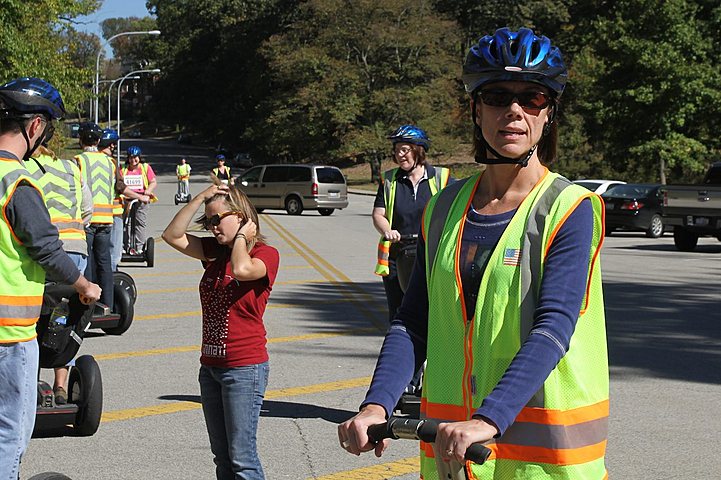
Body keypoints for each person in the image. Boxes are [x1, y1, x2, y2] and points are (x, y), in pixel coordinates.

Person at [339, 27, 609, 480]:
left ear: (549, 113)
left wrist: (488, 418)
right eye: (498, 96)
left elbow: (554, 327)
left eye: (533, 97)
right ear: (476, 109)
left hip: (541, 465)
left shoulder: (570, 209)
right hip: (452, 454)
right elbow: (414, 318)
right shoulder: (443, 207)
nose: (515, 111)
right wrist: (376, 403)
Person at [0, 77, 101, 479]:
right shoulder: (16, 181)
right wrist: (83, 284)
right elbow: (45, 248)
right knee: (10, 430)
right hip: (9, 334)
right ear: (36, 126)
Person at [162, 183, 279, 480]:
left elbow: (241, 270)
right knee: (223, 459)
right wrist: (201, 197)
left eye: (217, 219)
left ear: (241, 216)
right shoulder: (215, 252)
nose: (212, 227)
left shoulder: (266, 254)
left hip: (243, 369)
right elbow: (171, 235)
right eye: (208, 221)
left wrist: (242, 236)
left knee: (243, 459)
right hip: (211, 368)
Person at [27, 143, 93, 405]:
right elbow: (87, 210)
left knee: (34, 318)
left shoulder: (25, 167)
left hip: (43, 251)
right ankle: (61, 386)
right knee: (66, 317)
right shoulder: (71, 167)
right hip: (77, 249)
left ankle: (31, 383)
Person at [372, 124, 450, 323]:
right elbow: (379, 214)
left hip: (431, 254)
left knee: (430, 311)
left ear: (419, 150)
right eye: (397, 150)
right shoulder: (390, 180)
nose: (400, 155)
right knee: (398, 312)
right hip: (397, 253)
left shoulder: (442, 178)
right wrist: (388, 230)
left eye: (404, 149)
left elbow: (458, 209)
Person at [74, 122, 115, 310]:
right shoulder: (110, 162)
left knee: (88, 258)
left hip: (88, 218)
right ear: (99, 140)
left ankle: (89, 305)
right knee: (104, 261)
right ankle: (108, 303)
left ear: (80, 139)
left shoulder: (78, 160)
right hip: (107, 218)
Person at [98, 129, 149, 270]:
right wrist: (139, 196)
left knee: (138, 224)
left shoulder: (83, 160)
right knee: (116, 242)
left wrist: (146, 193)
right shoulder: (112, 163)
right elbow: (120, 187)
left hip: (94, 214)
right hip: (113, 211)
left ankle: (137, 247)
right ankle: (112, 270)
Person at [121, 145, 157, 255]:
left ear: (139, 157)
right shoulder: (123, 169)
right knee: (125, 223)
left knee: (139, 222)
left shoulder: (145, 167)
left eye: (135, 157)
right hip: (126, 199)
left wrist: (148, 191)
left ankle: (139, 247)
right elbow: (119, 183)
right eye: (131, 157)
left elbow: (153, 181)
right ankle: (124, 246)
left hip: (142, 199)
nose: (133, 160)